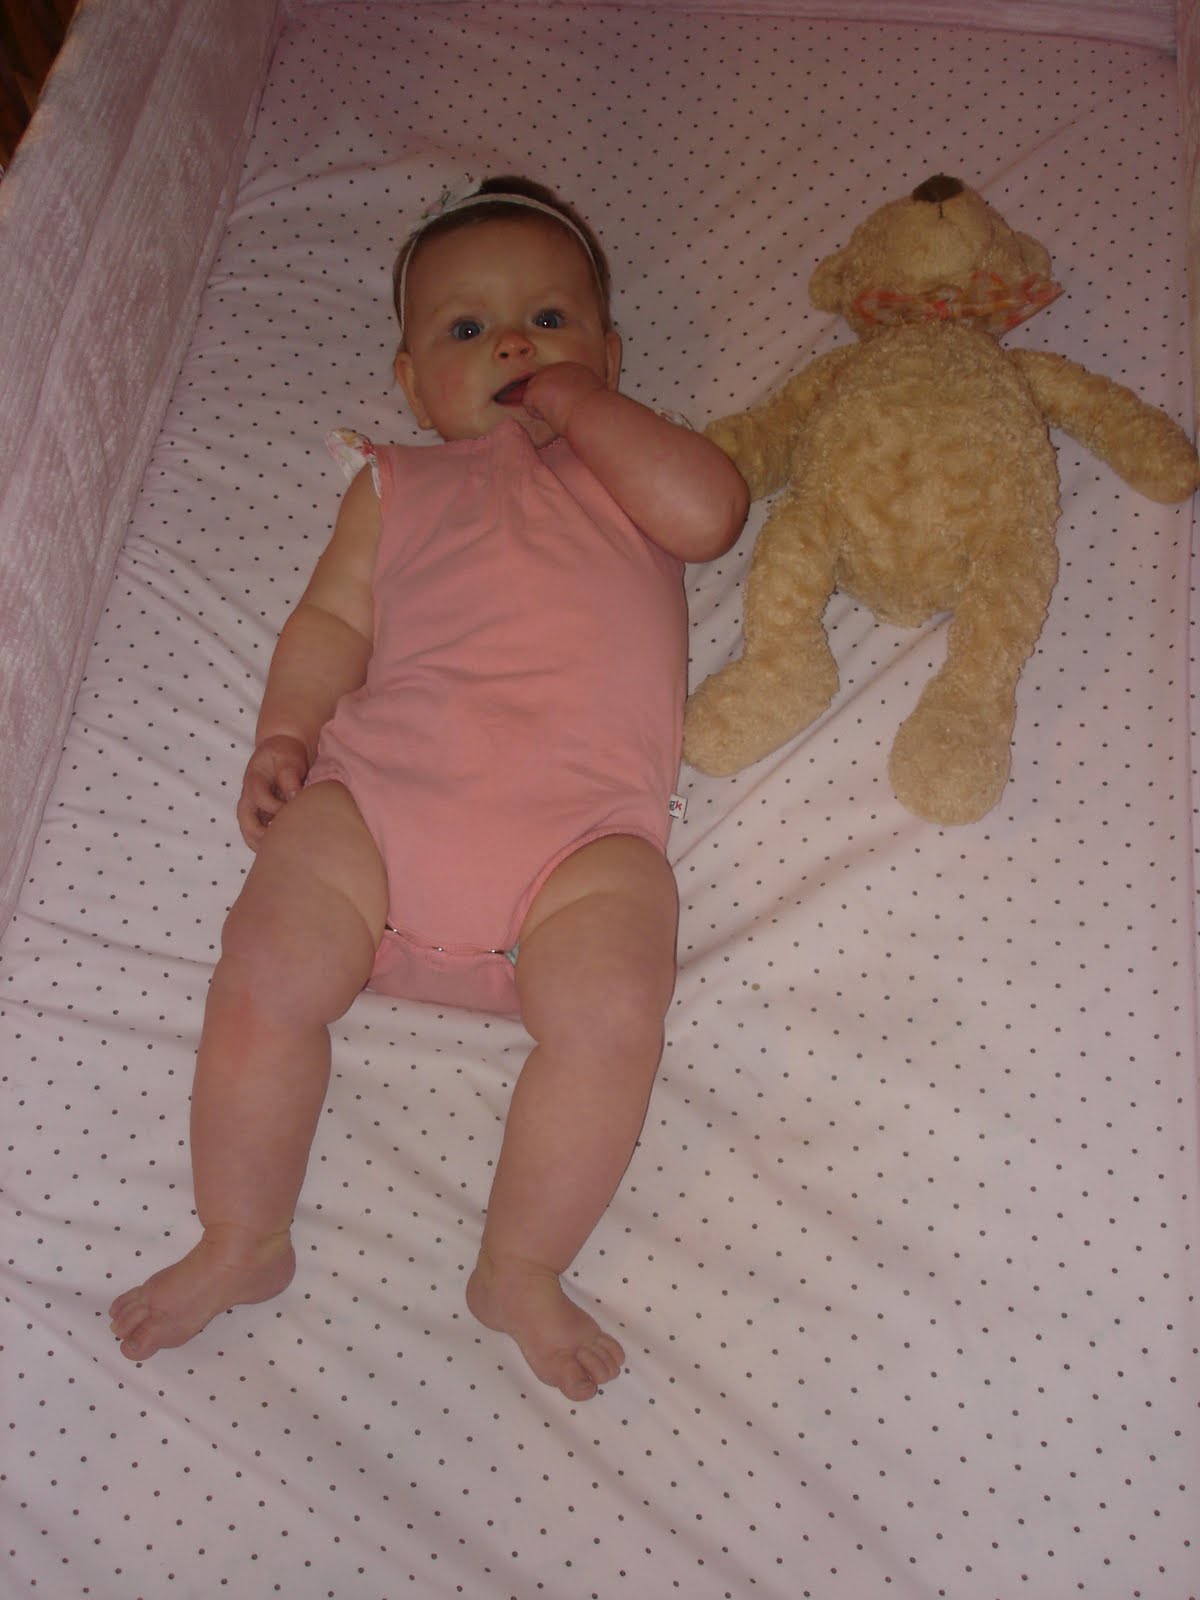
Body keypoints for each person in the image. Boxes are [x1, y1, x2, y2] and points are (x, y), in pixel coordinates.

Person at [108, 176, 748, 1401]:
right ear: (411, 384)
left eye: (549, 323)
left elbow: (714, 512)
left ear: (612, 355)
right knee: (264, 965)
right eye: (467, 328)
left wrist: (584, 410)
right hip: (378, 812)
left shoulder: (631, 477)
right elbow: (331, 624)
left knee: (617, 1005)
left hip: (575, 851)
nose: (513, 344)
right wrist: (286, 734)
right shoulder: (394, 484)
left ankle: (519, 1265)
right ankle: (241, 1234)